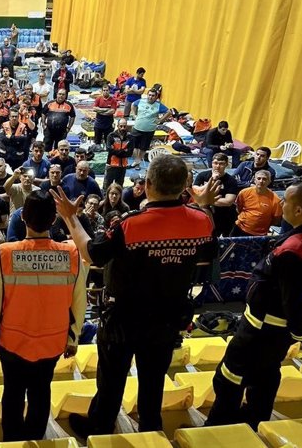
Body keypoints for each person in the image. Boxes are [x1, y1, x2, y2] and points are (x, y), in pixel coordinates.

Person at [52, 155, 219, 438]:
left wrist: (70, 216)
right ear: (185, 186)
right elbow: (209, 250)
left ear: (149, 184)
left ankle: (100, 427)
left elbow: (91, 253)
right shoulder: (201, 221)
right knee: (154, 381)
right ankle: (151, 431)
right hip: (168, 319)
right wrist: (203, 206)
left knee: (112, 380)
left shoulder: (131, 225)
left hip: (124, 319)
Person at [0, 191, 87, 442]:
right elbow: (80, 303)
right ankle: (36, 440)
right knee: (41, 393)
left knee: (13, 394)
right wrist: (73, 339)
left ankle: (12, 442)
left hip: (12, 343)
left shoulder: (5, 253)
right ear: (53, 220)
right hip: (53, 342)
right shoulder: (72, 254)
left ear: (23, 219)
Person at [207, 182, 302, 429]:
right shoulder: (300, 240)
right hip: (276, 333)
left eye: (286, 200)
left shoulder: (293, 250)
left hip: (260, 330)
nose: (281, 204)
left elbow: (292, 299)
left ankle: (219, 430)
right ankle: (254, 427)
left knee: (229, 378)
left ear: (299, 211)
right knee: (265, 377)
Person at [195, 152, 239, 236]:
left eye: (221, 164)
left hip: (225, 215)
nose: (218, 166)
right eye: (215, 163)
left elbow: (228, 201)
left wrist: (205, 200)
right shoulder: (202, 175)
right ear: (212, 163)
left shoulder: (231, 180)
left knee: (225, 238)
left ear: (226, 164)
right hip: (205, 213)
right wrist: (212, 180)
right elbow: (195, 191)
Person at [232, 170, 282, 236]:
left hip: (260, 234)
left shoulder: (275, 199)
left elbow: (276, 220)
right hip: (240, 228)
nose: (261, 181)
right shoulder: (244, 192)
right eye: (259, 178)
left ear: (269, 181)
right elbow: (238, 208)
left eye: (264, 179)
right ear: (254, 180)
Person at [129, 88, 169, 168]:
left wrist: (160, 120)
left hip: (149, 129)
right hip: (137, 127)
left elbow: (169, 112)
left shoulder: (158, 105)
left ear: (156, 97)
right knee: (134, 145)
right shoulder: (141, 101)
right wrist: (134, 114)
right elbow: (133, 104)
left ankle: (139, 160)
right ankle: (137, 160)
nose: (150, 97)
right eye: (149, 95)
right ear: (147, 95)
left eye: (153, 96)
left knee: (144, 147)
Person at [104, 119, 133, 190]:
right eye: (121, 126)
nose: (123, 128)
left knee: (119, 186)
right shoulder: (111, 136)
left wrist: (116, 151)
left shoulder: (130, 137)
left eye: (124, 126)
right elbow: (109, 149)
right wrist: (123, 151)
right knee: (107, 186)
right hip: (111, 164)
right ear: (117, 126)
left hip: (123, 166)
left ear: (127, 126)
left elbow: (130, 153)